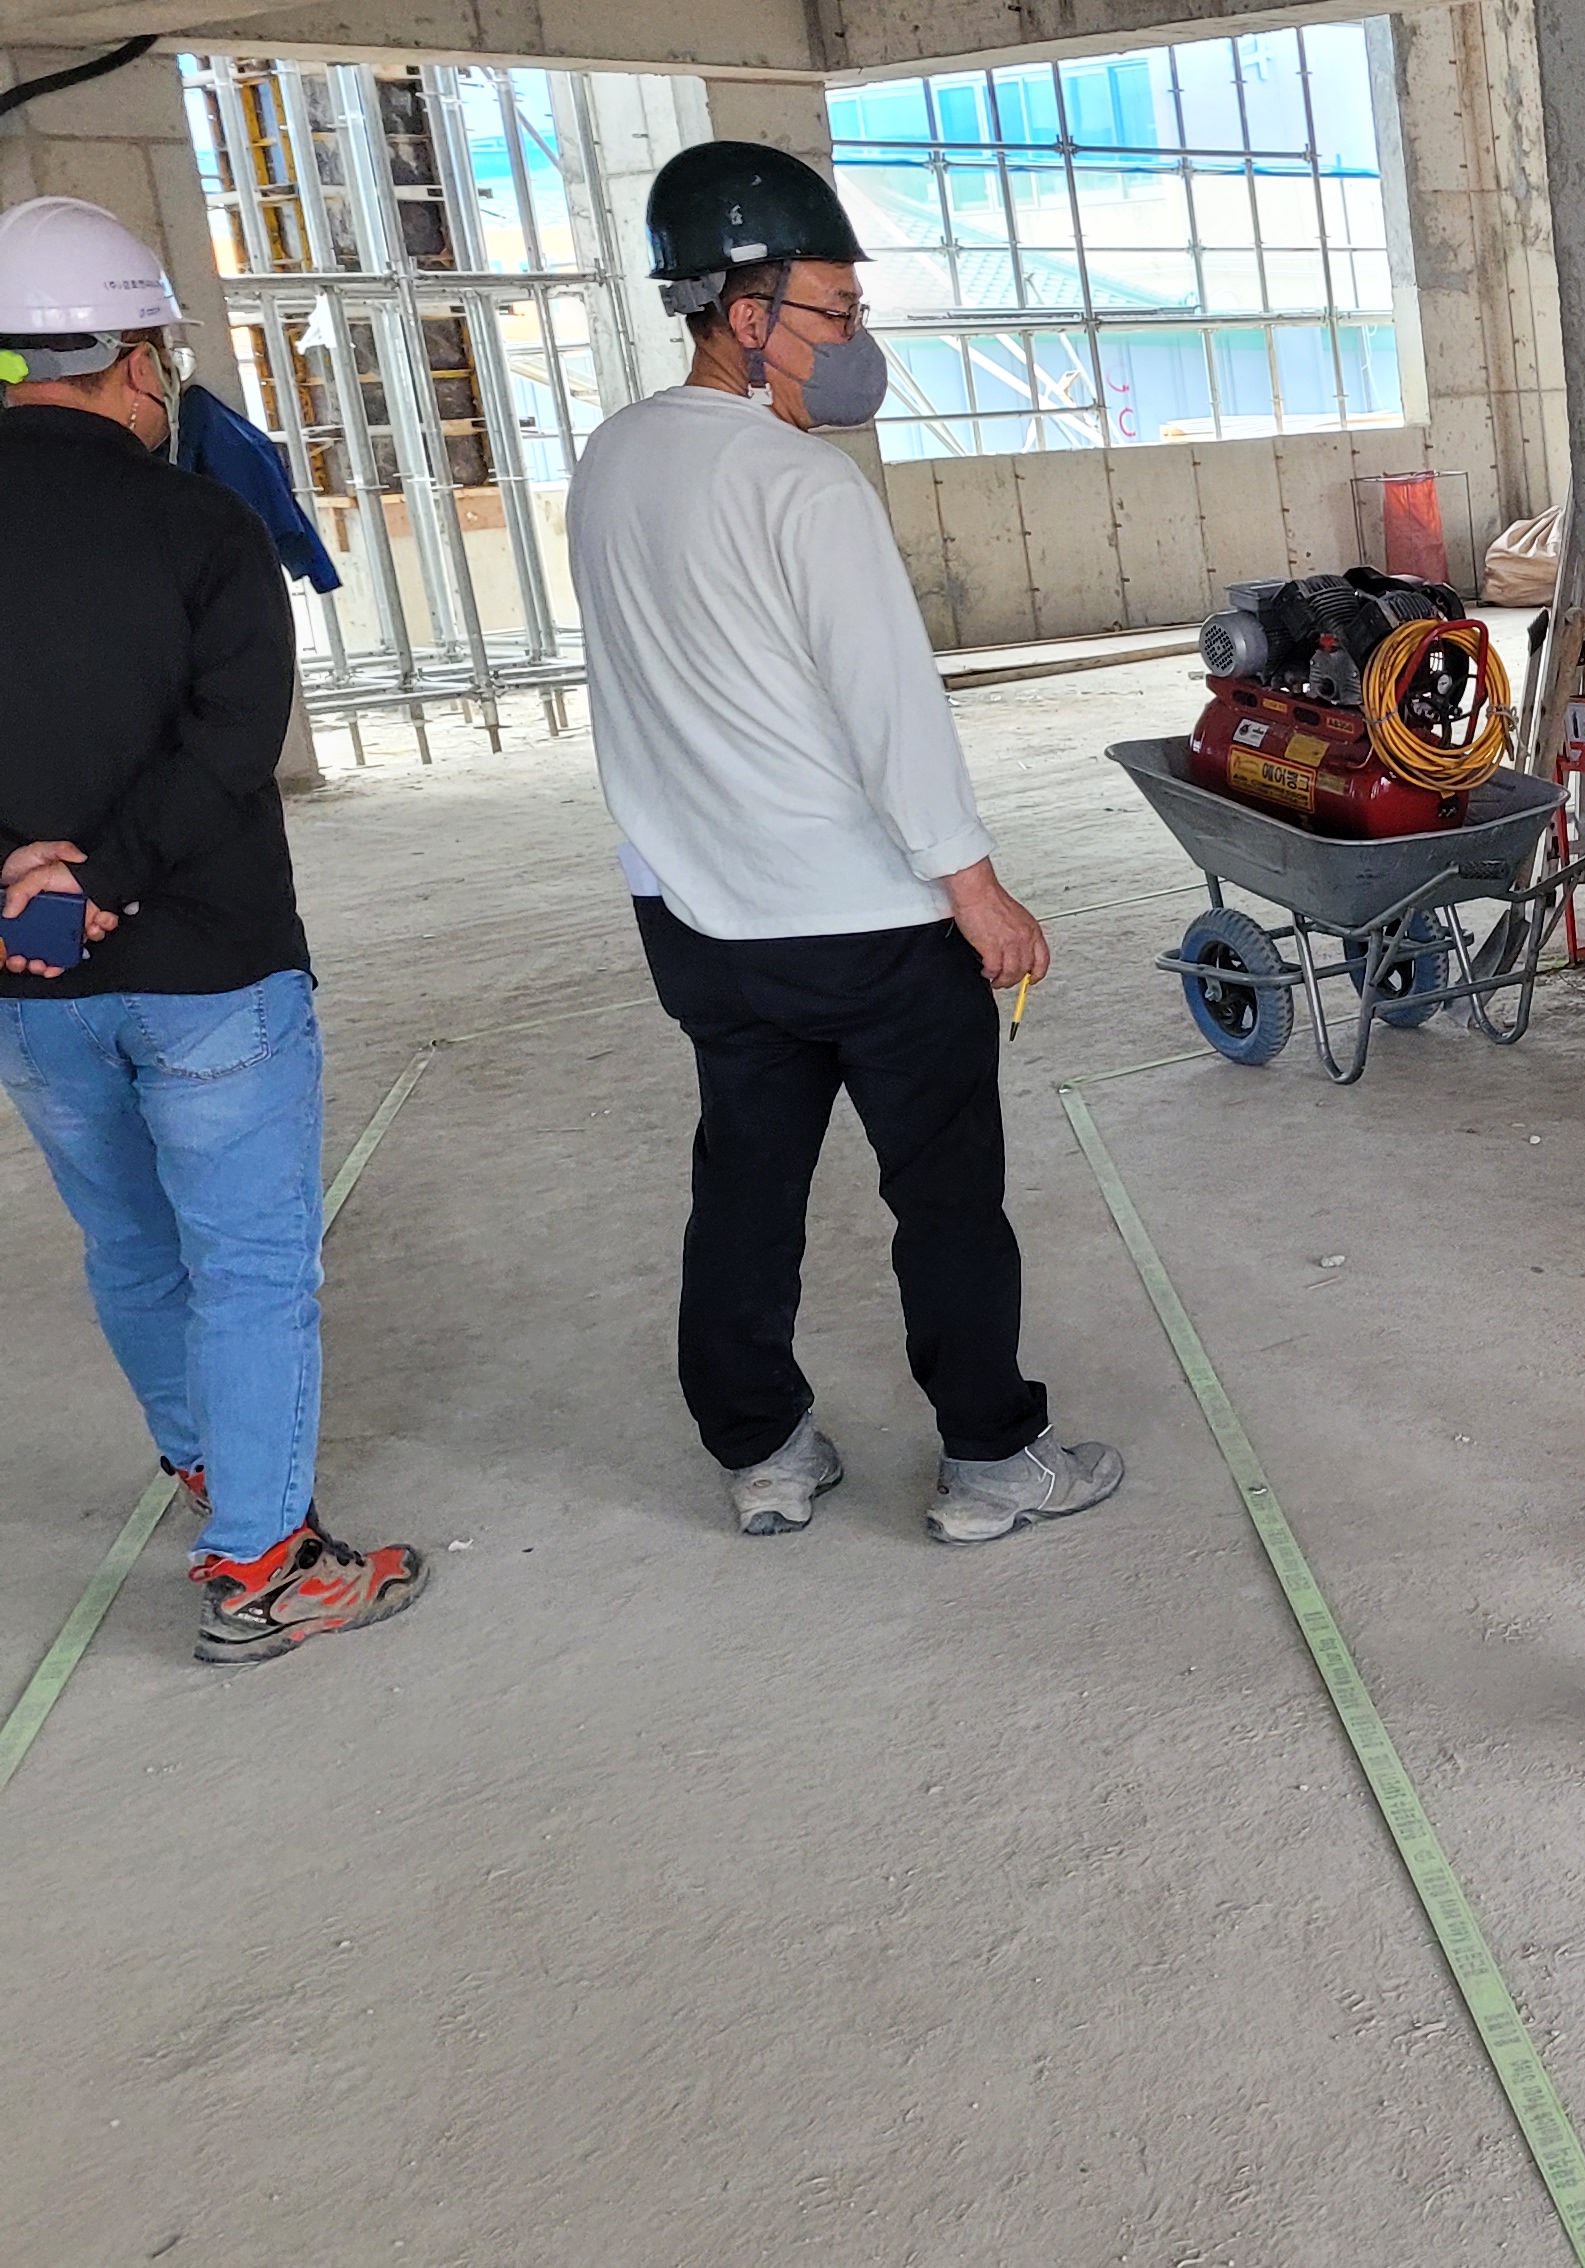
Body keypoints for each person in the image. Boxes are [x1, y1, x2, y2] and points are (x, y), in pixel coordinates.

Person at [567, 142, 1121, 1545]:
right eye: (835, 309)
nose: (855, 340)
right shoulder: (804, 488)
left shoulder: (615, 456)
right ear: (746, 314)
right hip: (866, 924)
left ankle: (764, 1451)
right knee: (946, 1195)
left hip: (701, 922)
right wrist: (976, 890)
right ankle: (991, 1461)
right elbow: (890, 711)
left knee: (745, 1189)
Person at [0, 196, 426, 1662]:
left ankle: (207, 1466)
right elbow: (233, 743)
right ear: (136, 362)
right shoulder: (199, 523)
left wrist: (28, 891)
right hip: (210, 972)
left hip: (26, 983)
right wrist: (103, 878)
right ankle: (262, 1564)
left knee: (129, 1248)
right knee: (248, 1268)